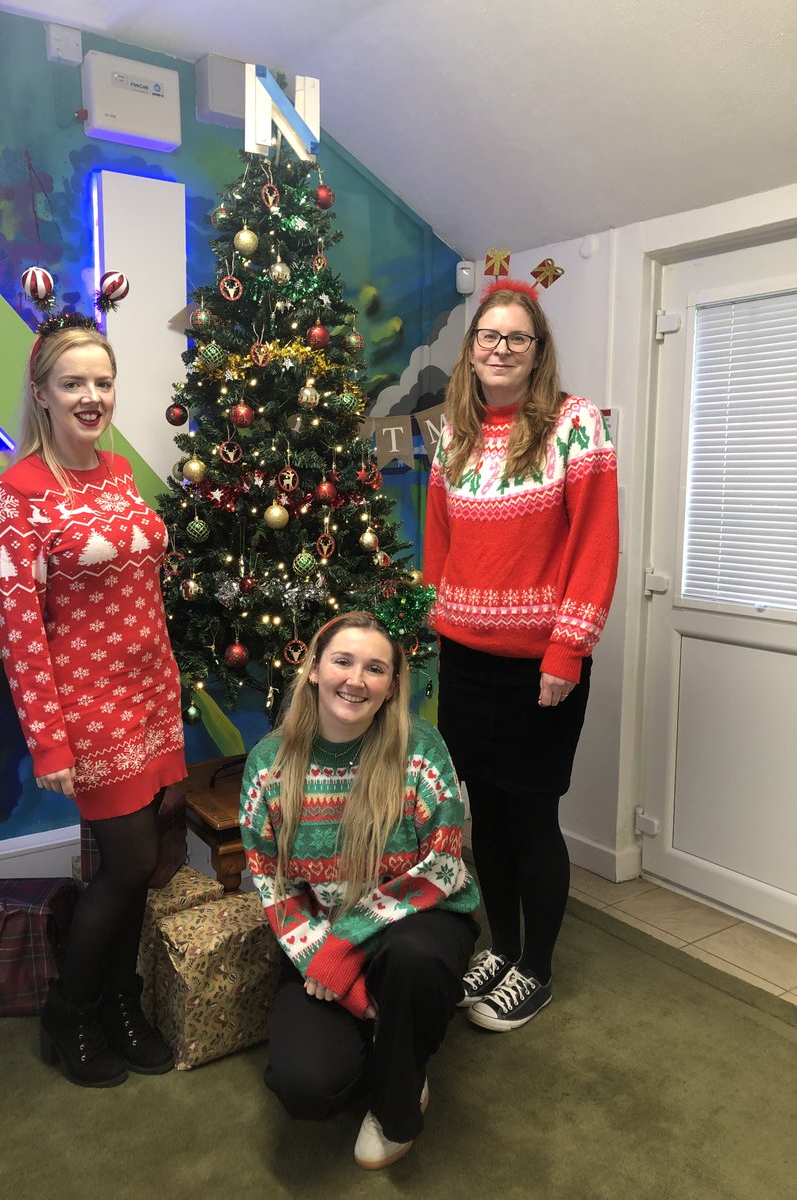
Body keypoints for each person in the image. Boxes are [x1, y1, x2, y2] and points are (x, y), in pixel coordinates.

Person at [0, 316, 186, 1087]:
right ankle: (68, 1011)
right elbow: (20, 634)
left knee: (141, 864)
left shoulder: (119, 472)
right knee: (129, 862)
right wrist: (49, 741)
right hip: (88, 707)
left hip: (150, 695)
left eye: (102, 382)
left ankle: (121, 1003)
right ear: (42, 394)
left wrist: (164, 690)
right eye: (73, 383)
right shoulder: (20, 496)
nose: (91, 396)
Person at [423, 279, 618, 1033]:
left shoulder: (575, 424)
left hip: (543, 667)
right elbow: (440, 539)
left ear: (537, 351)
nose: (501, 349)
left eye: (517, 338)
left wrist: (568, 650)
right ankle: (502, 948)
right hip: (465, 660)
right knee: (486, 815)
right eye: (489, 336)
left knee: (532, 818)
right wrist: (432, 621)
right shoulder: (452, 433)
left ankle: (535, 968)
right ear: (471, 350)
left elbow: (596, 544)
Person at [239, 611, 480, 1170]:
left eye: (375, 668)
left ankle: (399, 1098)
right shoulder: (269, 764)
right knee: (304, 1087)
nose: (356, 679)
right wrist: (338, 977)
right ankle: (392, 1034)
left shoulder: (421, 747)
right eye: (343, 661)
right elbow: (274, 886)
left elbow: (444, 865)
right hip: (321, 935)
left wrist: (344, 946)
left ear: (392, 685)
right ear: (313, 669)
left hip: (421, 921)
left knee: (413, 959)